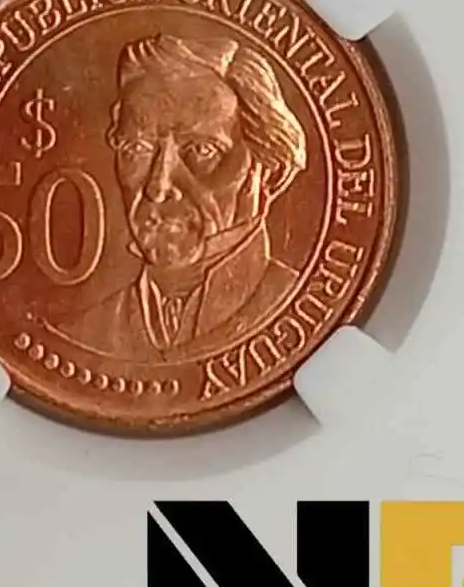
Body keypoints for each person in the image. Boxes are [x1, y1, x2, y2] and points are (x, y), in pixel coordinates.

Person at [56, 31, 307, 359]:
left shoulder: (303, 309)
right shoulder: (83, 335)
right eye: (137, 148)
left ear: (268, 170)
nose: (158, 186)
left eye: (201, 150)